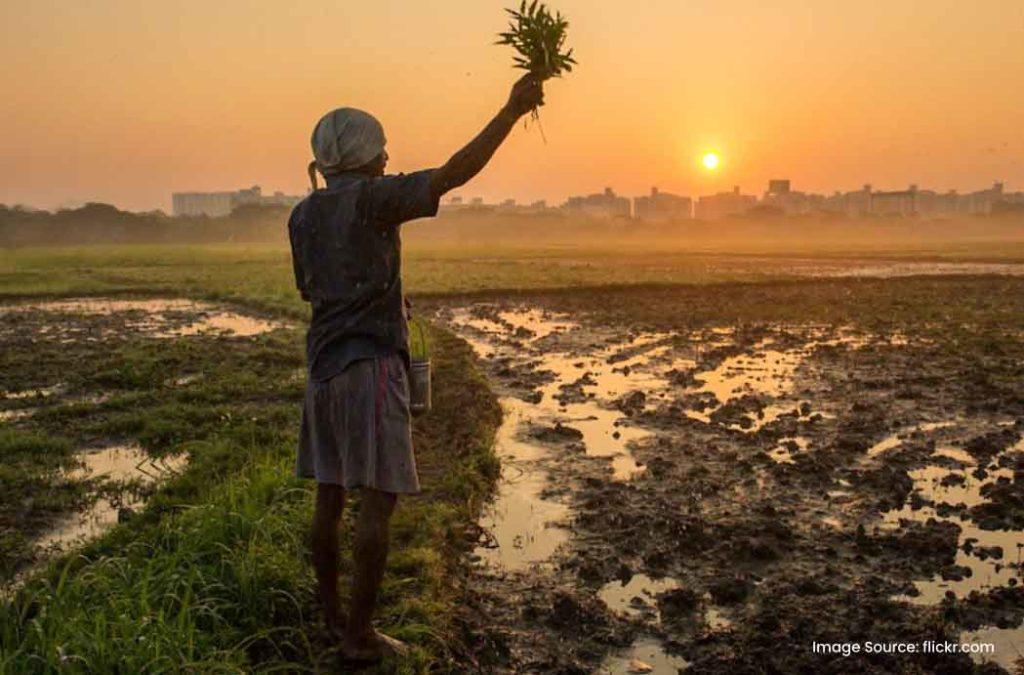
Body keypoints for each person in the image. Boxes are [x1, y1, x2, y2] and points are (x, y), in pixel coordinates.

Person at [288, 73, 545, 662]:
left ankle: (332, 619)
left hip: (321, 370)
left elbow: (312, 290)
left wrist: (377, 293)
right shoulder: (376, 198)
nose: (387, 158)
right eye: (381, 150)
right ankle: (359, 638)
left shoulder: (302, 216)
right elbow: (454, 172)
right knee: (378, 501)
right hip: (370, 367)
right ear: (365, 159)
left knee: (329, 498)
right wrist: (509, 112)